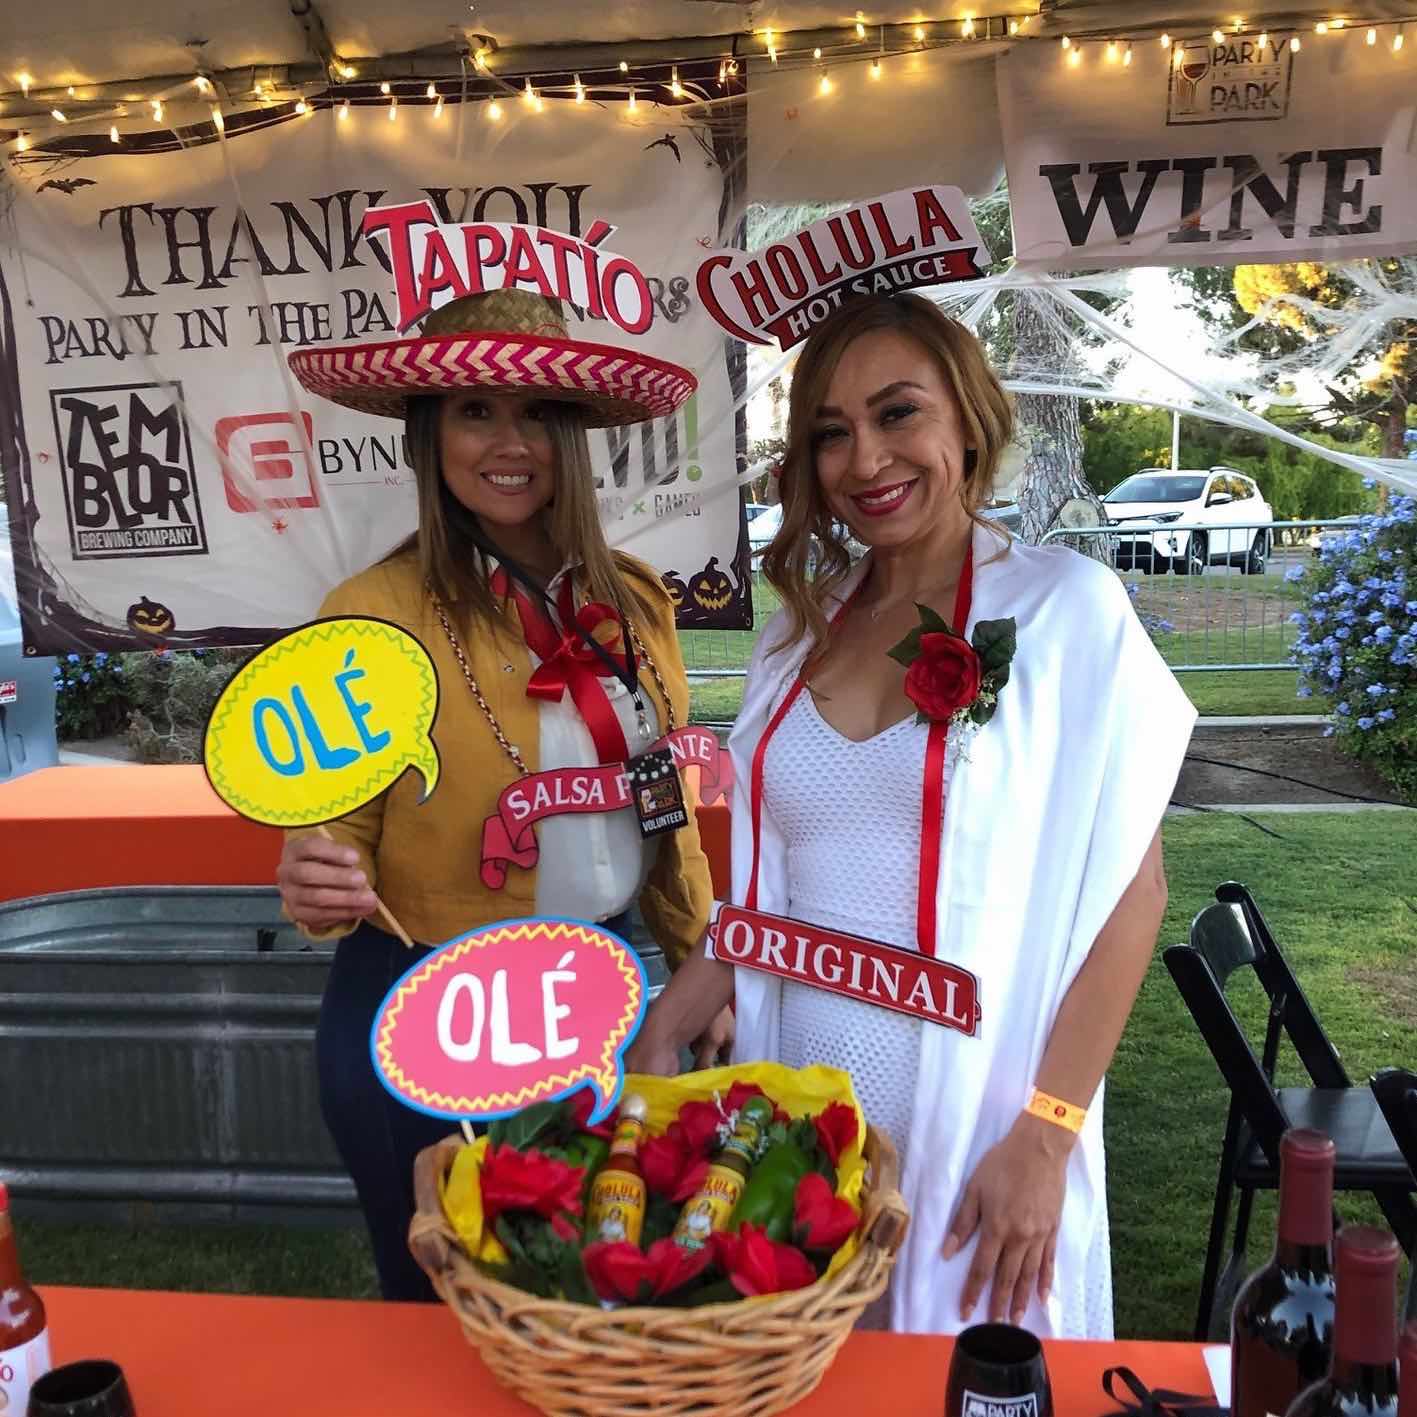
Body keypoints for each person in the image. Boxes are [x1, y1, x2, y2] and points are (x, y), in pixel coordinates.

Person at [626, 293, 1196, 1337]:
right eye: (831, 432)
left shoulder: (1066, 611)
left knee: (961, 1374)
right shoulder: (792, 639)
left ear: (966, 420)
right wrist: (681, 1002)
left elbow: (1131, 893)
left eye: (897, 414)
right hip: (796, 1124)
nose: (865, 459)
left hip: (981, 1115)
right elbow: (782, 891)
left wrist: (1049, 1133)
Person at [279, 289, 723, 1301]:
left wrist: (700, 963)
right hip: (423, 1010)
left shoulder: (635, 602)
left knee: (601, 1294)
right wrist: (312, 875)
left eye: (534, 412)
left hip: (601, 1003)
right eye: (476, 410)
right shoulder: (370, 614)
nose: (506, 440)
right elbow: (326, 833)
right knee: (448, 1318)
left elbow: (665, 808)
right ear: (432, 433)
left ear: (571, 433)